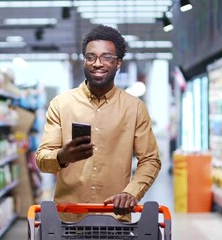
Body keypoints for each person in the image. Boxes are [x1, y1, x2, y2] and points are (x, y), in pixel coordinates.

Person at [35, 24, 161, 222]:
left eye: (107, 57)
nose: (97, 63)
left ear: (118, 63)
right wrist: (61, 156)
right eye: (91, 57)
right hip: (68, 218)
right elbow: (42, 159)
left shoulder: (134, 108)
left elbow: (150, 160)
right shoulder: (61, 104)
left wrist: (131, 193)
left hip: (114, 218)